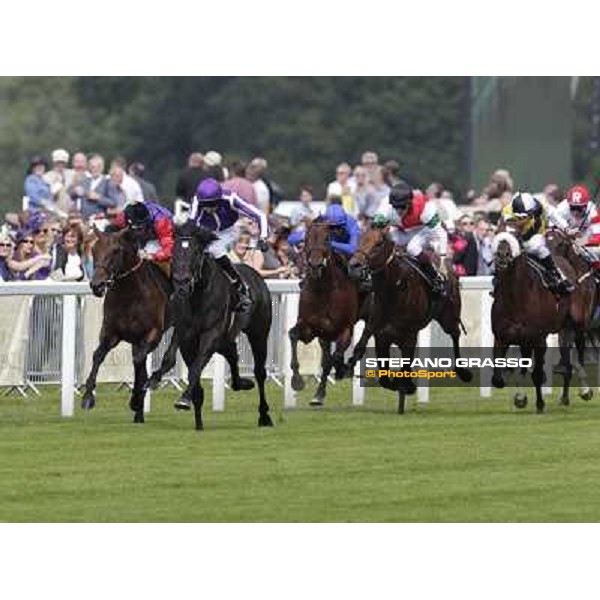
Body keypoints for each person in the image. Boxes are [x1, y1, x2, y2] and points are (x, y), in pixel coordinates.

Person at [188, 178, 269, 311]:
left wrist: (263, 237)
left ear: (219, 199)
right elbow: (190, 225)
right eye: (205, 205)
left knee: (215, 250)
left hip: (230, 230)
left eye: (212, 204)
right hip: (207, 232)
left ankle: (241, 286)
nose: (208, 209)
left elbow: (259, 215)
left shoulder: (231, 198)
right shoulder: (197, 201)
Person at [375, 181, 447, 295]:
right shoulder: (385, 207)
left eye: (403, 207)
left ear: (410, 203)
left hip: (423, 230)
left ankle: (435, 278)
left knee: (412, 248)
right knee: (388, 241)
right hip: (401, 231)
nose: (399, 211)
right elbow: (374, 231)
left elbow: (442, 233)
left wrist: (443, 258)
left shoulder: (426, 208)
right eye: (396, 207)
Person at [501, 191, 574, 296]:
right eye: (521, 216)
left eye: (526, 215)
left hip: (535, 234)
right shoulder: (507, 212)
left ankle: (556, 275)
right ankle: (497, 280)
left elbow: (554, 216)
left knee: (537, 246)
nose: (524, 218)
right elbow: (510, 232)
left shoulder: (541, 205)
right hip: (516, 237)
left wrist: (567, 229)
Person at [114, 200, 175, 274]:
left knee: (152, 250)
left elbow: (169, 249)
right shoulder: (122, 218)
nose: (138, 231)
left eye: (140, 228)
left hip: (156, 238)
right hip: (140, 237)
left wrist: (152, 256)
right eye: (135, 228)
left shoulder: (161, 221)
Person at [44, 148, 74, 213]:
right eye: (58, 162)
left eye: (62, 162)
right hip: (54, 208)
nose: (60, 165)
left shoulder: (72, 174)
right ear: (54, 163)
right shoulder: (47, 177)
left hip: (70, 208)